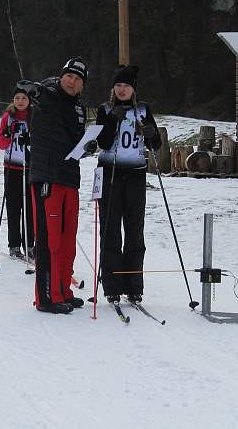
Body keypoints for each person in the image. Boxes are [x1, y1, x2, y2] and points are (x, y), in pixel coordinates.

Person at [19, 57, 93, 314]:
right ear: (62, 76)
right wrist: (33, 91)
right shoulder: (48, 94)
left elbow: (75, 141)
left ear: (82, 85)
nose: (72, 82)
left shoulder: (79, 108)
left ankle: (64, 290)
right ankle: (47, 297)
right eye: (69, 76)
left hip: (70, 178)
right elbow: (39, 95)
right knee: (49, 240)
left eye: (78, 79)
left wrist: (87, 145)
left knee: (67, 240)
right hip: (47, 177)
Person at [95, 65, 161, 304]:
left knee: (135, 230)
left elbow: (156, 145)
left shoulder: (143, 110)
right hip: (110, 173)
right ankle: (111, 285)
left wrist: (152, 134)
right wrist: (113, 119)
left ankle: (134, 285)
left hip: (135, 174)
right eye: (118, 85)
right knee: (110, 230)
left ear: (133, 89)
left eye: (126, 86)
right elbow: (101, 142)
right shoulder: (104, 109)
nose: (122, 90)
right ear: (113, 88)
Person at [0, 86, 34, 258]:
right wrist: (6, 134)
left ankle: (29, 244)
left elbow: (40, 143)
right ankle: (14, 245)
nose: (20, 101)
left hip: (30, 168)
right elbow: (0, 144)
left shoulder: (34, 117)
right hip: (12, 168)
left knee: (30, 208)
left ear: (29, 101)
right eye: (17, 98)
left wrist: (30, 140)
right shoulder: (8, 117)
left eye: (24, 98)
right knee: (13, 206)